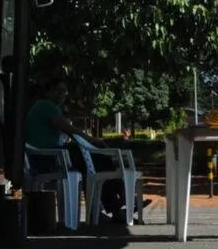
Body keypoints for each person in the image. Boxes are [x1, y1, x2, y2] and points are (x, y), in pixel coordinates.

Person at [25, 76, 150, 224]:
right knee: (96, 157)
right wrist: (92, 140)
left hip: (53, 154)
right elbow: (70, 130)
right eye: (58, 91)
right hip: (47, 157)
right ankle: (120, 199)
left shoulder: (51, 107)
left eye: (64, 91)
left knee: (90, 166)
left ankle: (101, 208)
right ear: (49, 92)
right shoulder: (45, 106)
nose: (62, 94)